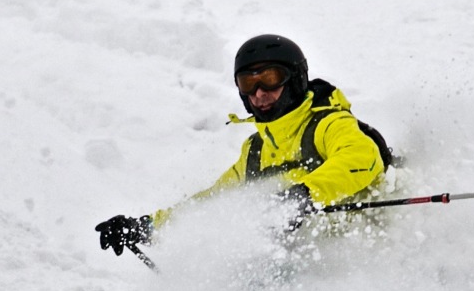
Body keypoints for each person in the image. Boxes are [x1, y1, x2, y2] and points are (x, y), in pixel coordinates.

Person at [96, 34, 391, 256]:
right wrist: (146, 227)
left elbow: (361, 158)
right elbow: (213, 203)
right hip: (301, 264)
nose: (259, 93)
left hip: (363, 254)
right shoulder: (255, 152)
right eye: (248, 84)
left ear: (296, 79)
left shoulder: (327, 124)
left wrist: (303, 194)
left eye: (270, 79)